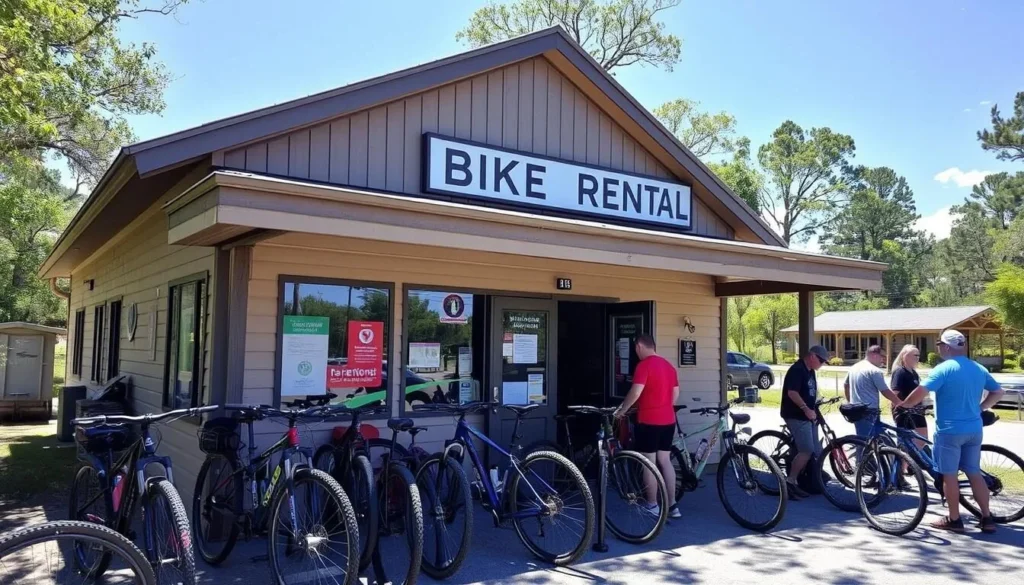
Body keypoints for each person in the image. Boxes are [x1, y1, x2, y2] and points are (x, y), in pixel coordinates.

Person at [901, 329, 1004, 533]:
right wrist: (981, 408)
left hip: (949, 430)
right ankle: (986, 517)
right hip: (974, 428)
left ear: (947, 347)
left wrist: (903, 405)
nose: (939, 348)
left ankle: (954, 519)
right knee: (974, 472)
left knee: (949, 476)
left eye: (940, 345)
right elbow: (998, 392)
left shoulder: (943, 369)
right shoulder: (978, 368)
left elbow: (920, 393)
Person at [614, 333, 680, 519]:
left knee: (648, 463)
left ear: (639, 347)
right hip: (668, 420)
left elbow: (635, 392)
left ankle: (652, 504)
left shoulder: (644, 366)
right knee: (665, 461)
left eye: (636, 350)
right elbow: (675, 393)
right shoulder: (669, 366)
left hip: (649, 421)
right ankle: (673, 505)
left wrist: (622, 409)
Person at [780, 345, 829, 499]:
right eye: (821, 361)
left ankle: (806, 480)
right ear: (812, 356)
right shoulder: (797, 369)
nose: (821, 365)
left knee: (815, 449)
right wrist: (806, 408)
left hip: (808, 416)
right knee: (806, 450)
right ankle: (790, 481)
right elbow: (792, 392)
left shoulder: (810, 372)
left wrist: (814, 409)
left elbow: (810, 393)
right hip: (796, 415)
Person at [844, 345, 903, 437]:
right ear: (874, 355)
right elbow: (885, 391)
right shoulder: (874, 371)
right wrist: (900, 403)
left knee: (863, 438)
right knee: (868, 442)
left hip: (855, 410)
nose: (884, 360)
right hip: (869, 411)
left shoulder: (854, 368)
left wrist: (850, 401)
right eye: (882, 356)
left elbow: (846, 385)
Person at [891, 345, 928, 453]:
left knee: (922, 440)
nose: (917, 358)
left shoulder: (914, 373)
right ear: (904, 356)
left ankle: (912, 464)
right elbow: (895, 393)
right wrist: (896, 410)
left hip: (918, 411)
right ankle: (902, 468)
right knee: (905, 443)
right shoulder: (900, 372)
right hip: (905, 413)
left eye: (918, 355)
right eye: (914, 355)